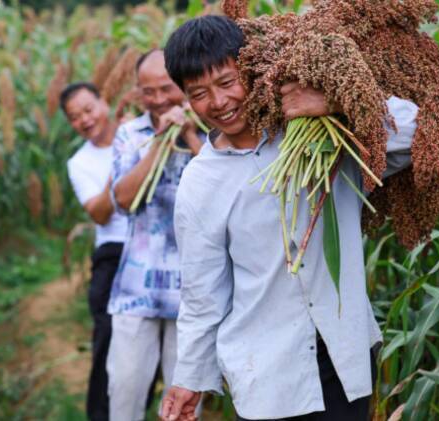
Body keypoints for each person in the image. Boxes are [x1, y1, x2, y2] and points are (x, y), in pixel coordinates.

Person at [160, 16, 420, 421]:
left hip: (343, 353)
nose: (218, 102)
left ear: (252, 70)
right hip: (266, 369)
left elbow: (419, 133)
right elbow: (202, 294)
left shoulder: (320, 137)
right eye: (199, 93)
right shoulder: (201, 183)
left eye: (227, 83)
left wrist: (335, 102)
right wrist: (189, 377)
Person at [107, 49, 203, 421]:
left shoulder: (213, 131)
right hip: (136, 292)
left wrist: (191, 135)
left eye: (167, 88)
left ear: (181, 83)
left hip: (194, 297)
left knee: (183, 410)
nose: (159, 99)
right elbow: (124, 199)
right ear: (137, 92)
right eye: (148, 92)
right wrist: (162, 142)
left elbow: (224, 193)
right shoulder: (130, 135)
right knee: (125, 395)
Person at [62, 82, 129, 421]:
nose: (84, 120)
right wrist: (123, 156)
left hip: (160, 249)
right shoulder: (80, 163)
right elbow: (101, 213)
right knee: (107, 344)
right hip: (113, 255)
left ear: (104, 101)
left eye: (88, 109)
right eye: (74, 118)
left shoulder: (138, 130)